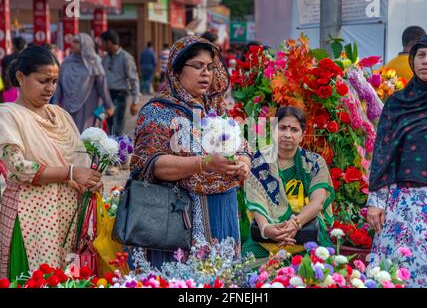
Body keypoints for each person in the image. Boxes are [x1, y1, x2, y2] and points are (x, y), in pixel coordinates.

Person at [130, 36, 252, 268]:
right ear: (176, 71)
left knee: (219, 281)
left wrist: (243, 164)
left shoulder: (215, 110)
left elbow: (243, 147)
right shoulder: (159, 111)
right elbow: (150, 164)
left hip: (220, 214)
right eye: (197, 66)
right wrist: (205, 163)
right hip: (176, 219)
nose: (206, 73)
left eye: (209, 67)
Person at [0, 46, 103, 280]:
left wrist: (91, 180)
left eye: (55, 81)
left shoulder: (60, 114)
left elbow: (81, 159)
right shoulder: (8, 114)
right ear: (20, 77)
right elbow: (19, 168)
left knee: (68, 277)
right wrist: (71, 172)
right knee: (37, 277)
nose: (50, 88)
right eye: (43, 81)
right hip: (31, 213)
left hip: (68, 211)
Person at [368, 34, 427, 288]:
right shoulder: (397, 103)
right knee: (395, 274)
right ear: (412, 60)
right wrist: (376, 202)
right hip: (401, 206)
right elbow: (382, 153)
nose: (426, 61)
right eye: (421, 55)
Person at [243, 106, 335, 259]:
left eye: (294, 130)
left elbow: (318, 202)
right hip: (266, 238)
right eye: (282, 128)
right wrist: (266, 229)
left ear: (302, 135)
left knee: (322, 272)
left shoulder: (314, 163)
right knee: (250, 274)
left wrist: (294, 224)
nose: (287, 134)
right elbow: (256, 202)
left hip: (307, 232)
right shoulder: (259, 161)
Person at [52, 33, 114, 132]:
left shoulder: (94, 63)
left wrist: (109, 106)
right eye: (73, 41)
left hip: (89, 108)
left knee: (87, 136)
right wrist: (54, 104)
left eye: (77, 42)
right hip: (67, 107)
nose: (72, 43)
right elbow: (59, 85)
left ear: (86, 44)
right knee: (69, 135)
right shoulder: (66, 62)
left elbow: (102, 88)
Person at [99, 29, 140, 136]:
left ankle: (116, 150)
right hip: (106, 96)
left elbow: (134, 79)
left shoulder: (126, 58)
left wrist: (135, 102)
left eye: (102, 42)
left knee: (117, 126)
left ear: (109, 42)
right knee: (107, 125)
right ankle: (108, 150)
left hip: (120, 95)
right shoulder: (105, 58)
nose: (101, 45)